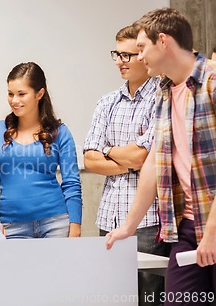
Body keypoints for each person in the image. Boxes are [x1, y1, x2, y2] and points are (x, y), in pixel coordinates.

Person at [107, 8, 216, 305]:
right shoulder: (165, 92)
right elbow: (155, 163)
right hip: (188, 227)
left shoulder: (211, 83)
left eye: (141, 48)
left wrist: (212, 232)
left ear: (164, 41)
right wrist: (128, 227)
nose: (139, 57)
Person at [83, 25, 170, 305]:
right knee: (110, 296)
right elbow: (89, 159)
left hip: (147, 220)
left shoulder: (163, 98)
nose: (120, 61)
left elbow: (143, 158)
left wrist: (107, 150)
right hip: (109, 216)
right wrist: (127, 159)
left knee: (148, 297)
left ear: (144, 56)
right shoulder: (106, 102)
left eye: (127, 55)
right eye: (117, 54)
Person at [0, 62, 82, 239]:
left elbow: (71, 183)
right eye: (10, 94)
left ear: (39, 94)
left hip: (55, 223)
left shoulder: (60, 132)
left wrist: (75, 225)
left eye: (21, 94)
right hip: (9, 225)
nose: (14, 100)